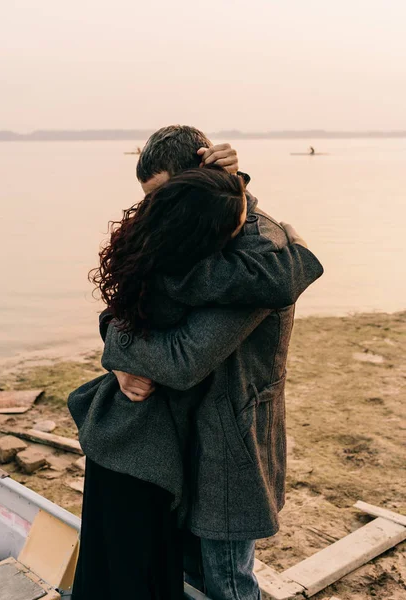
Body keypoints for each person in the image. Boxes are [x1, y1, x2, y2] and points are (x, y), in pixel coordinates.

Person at [100, 125, 324, 600]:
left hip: (230, 438)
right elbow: (122, 310)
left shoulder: (261, 250)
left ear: (201, 176)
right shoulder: (182, 232)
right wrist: (119, 357)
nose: (154, 213)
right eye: (149, 200)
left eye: (164, 196)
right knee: (190, 570)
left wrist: (301, 258)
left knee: (227, 578)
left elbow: (181, 359)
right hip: (181, 435)